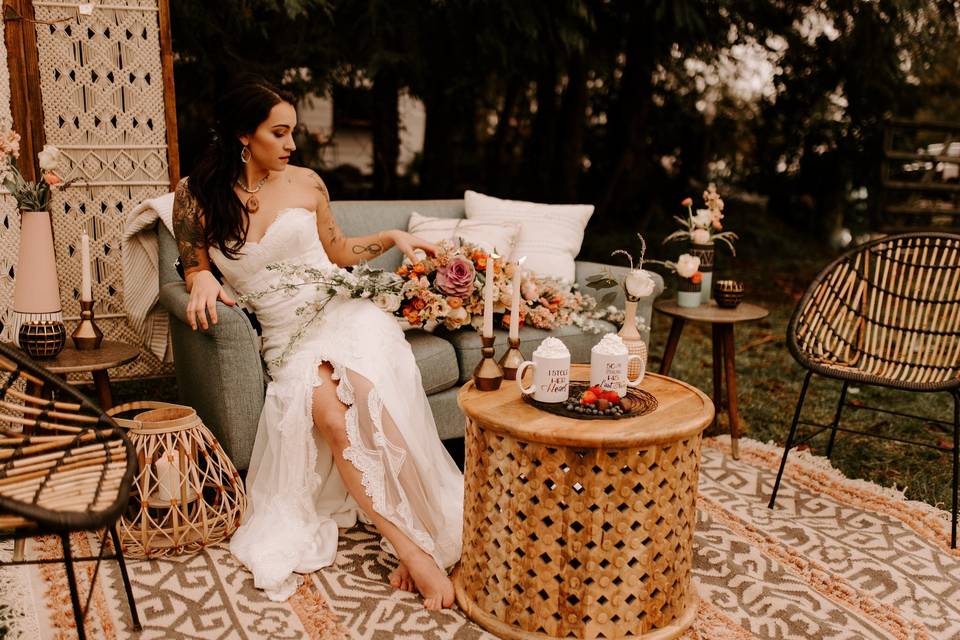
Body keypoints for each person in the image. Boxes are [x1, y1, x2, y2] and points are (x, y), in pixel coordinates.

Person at [172, 76, 463, 608]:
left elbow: (340, 252)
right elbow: (192, 265)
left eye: (292, 133)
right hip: (285, 338)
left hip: (343, 311)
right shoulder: (195, 197)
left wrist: (393, 239)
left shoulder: (307, 182)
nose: (291, 145)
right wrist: (201, 277)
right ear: (244, 135)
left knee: (364, 399)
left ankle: (414, 549)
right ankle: (414, 548)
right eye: (279, 133)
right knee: (332, 415)